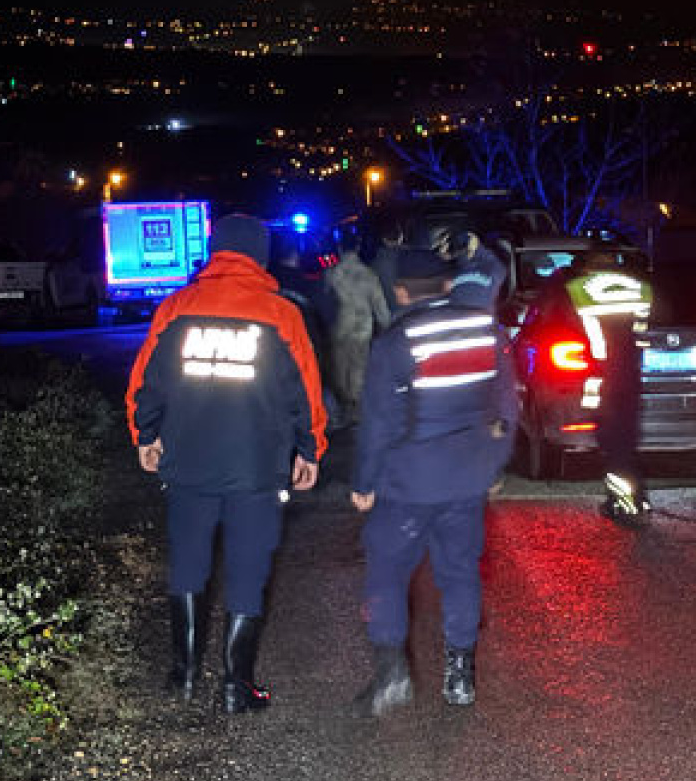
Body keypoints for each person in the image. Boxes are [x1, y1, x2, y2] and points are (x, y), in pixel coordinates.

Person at [125, 213, 329, 714]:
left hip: (188, 461)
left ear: (214, 251)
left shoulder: (176, 308)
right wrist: (310, 449)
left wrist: (145, 436)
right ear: (258, 255)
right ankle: (237, 687)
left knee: (189, 562)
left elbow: (147, 383)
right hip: (256, 468)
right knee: (248, 568)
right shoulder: (280, 314)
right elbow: (305, 392)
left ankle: (185, 676)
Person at [351, 248, 518, 715]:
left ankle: (392, 674)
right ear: (448, 286)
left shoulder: (395, 341)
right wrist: (494, 464)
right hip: (467, 480)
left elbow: (379, 424)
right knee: (460, 572)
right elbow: (507, 409)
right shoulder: (489, 332)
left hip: (406, 484)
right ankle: (460, 676)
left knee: (387, 572)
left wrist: (363, 482)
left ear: (401, 291)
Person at [563, 254, 654, 524]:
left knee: (614, 444)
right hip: (630, 375)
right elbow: (642, 330)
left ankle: (625, 506)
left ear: (589, 266)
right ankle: (637, 498)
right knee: (627, 441)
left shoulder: (578, 289)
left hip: (602, 378)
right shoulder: (639, 286)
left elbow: (572, 329)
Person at [323, 239, 390, 427]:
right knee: (358, 367)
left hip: (339, 327)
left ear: (340, 248)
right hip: (362, 328)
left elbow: (324, 299)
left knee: (339, 368)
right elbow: (378, 303)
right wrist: (385, 324)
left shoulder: (332, 273)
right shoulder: (368, 274)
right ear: (357, 249)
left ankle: (342, 408)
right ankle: (356, 411)